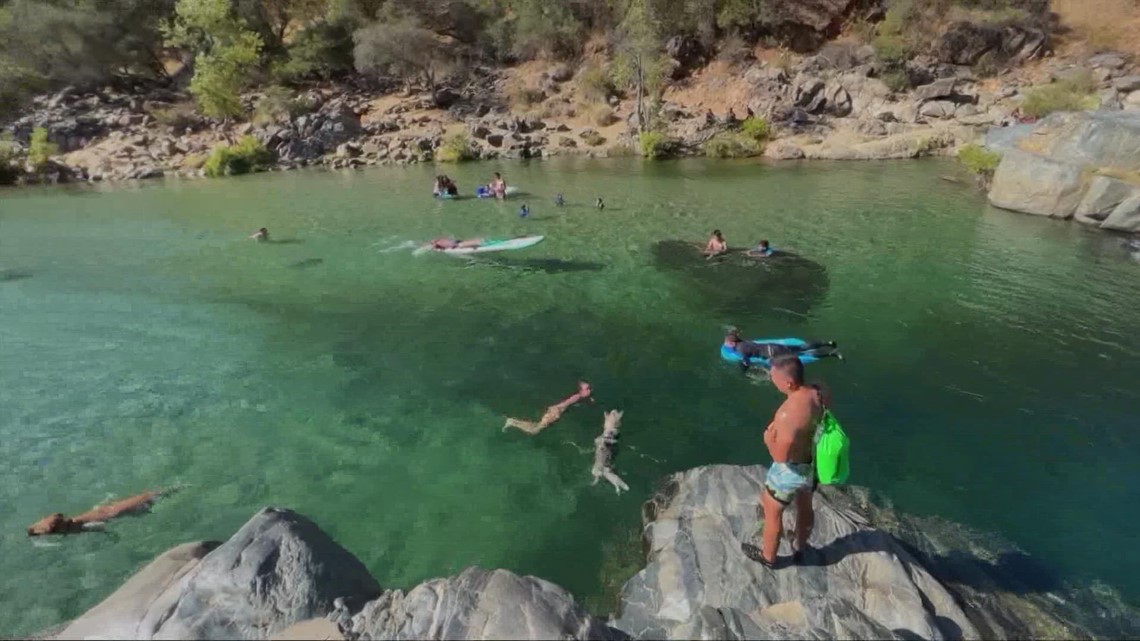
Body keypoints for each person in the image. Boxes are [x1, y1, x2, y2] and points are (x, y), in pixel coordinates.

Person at [750, 355, 831, 567]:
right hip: (812, 464)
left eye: (773, 377)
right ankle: (801, 547)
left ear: (788, 383)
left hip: (790, 471)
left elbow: (780, 457)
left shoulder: (787, 415)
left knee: (772, 512)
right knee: (805, 506)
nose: (771, 380)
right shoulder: (820, 392)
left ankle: (768, 558)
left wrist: (768, 440)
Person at [724, 328, 839, 372]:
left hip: (774, 354)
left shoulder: (740, 349)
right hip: (774, 346)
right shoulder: (744, 341)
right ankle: (827, 343)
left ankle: (831, 354)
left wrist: (743, 371)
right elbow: (734, 334)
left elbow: (745, 361)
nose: (725, 345)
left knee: (800, 355)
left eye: (727, 343)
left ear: (732, 343)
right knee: (801, 347)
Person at [504, 381, 593, 434]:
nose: (589, 390)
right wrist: (556, 412)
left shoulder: (579, 397)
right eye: (587, 389)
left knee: (536, 426)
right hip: (555, 411)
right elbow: (566, 403)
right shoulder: (577, 396)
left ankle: (513, 422)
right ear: (581, 390)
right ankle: (512, 422)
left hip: (556, 411)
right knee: (535, 430)